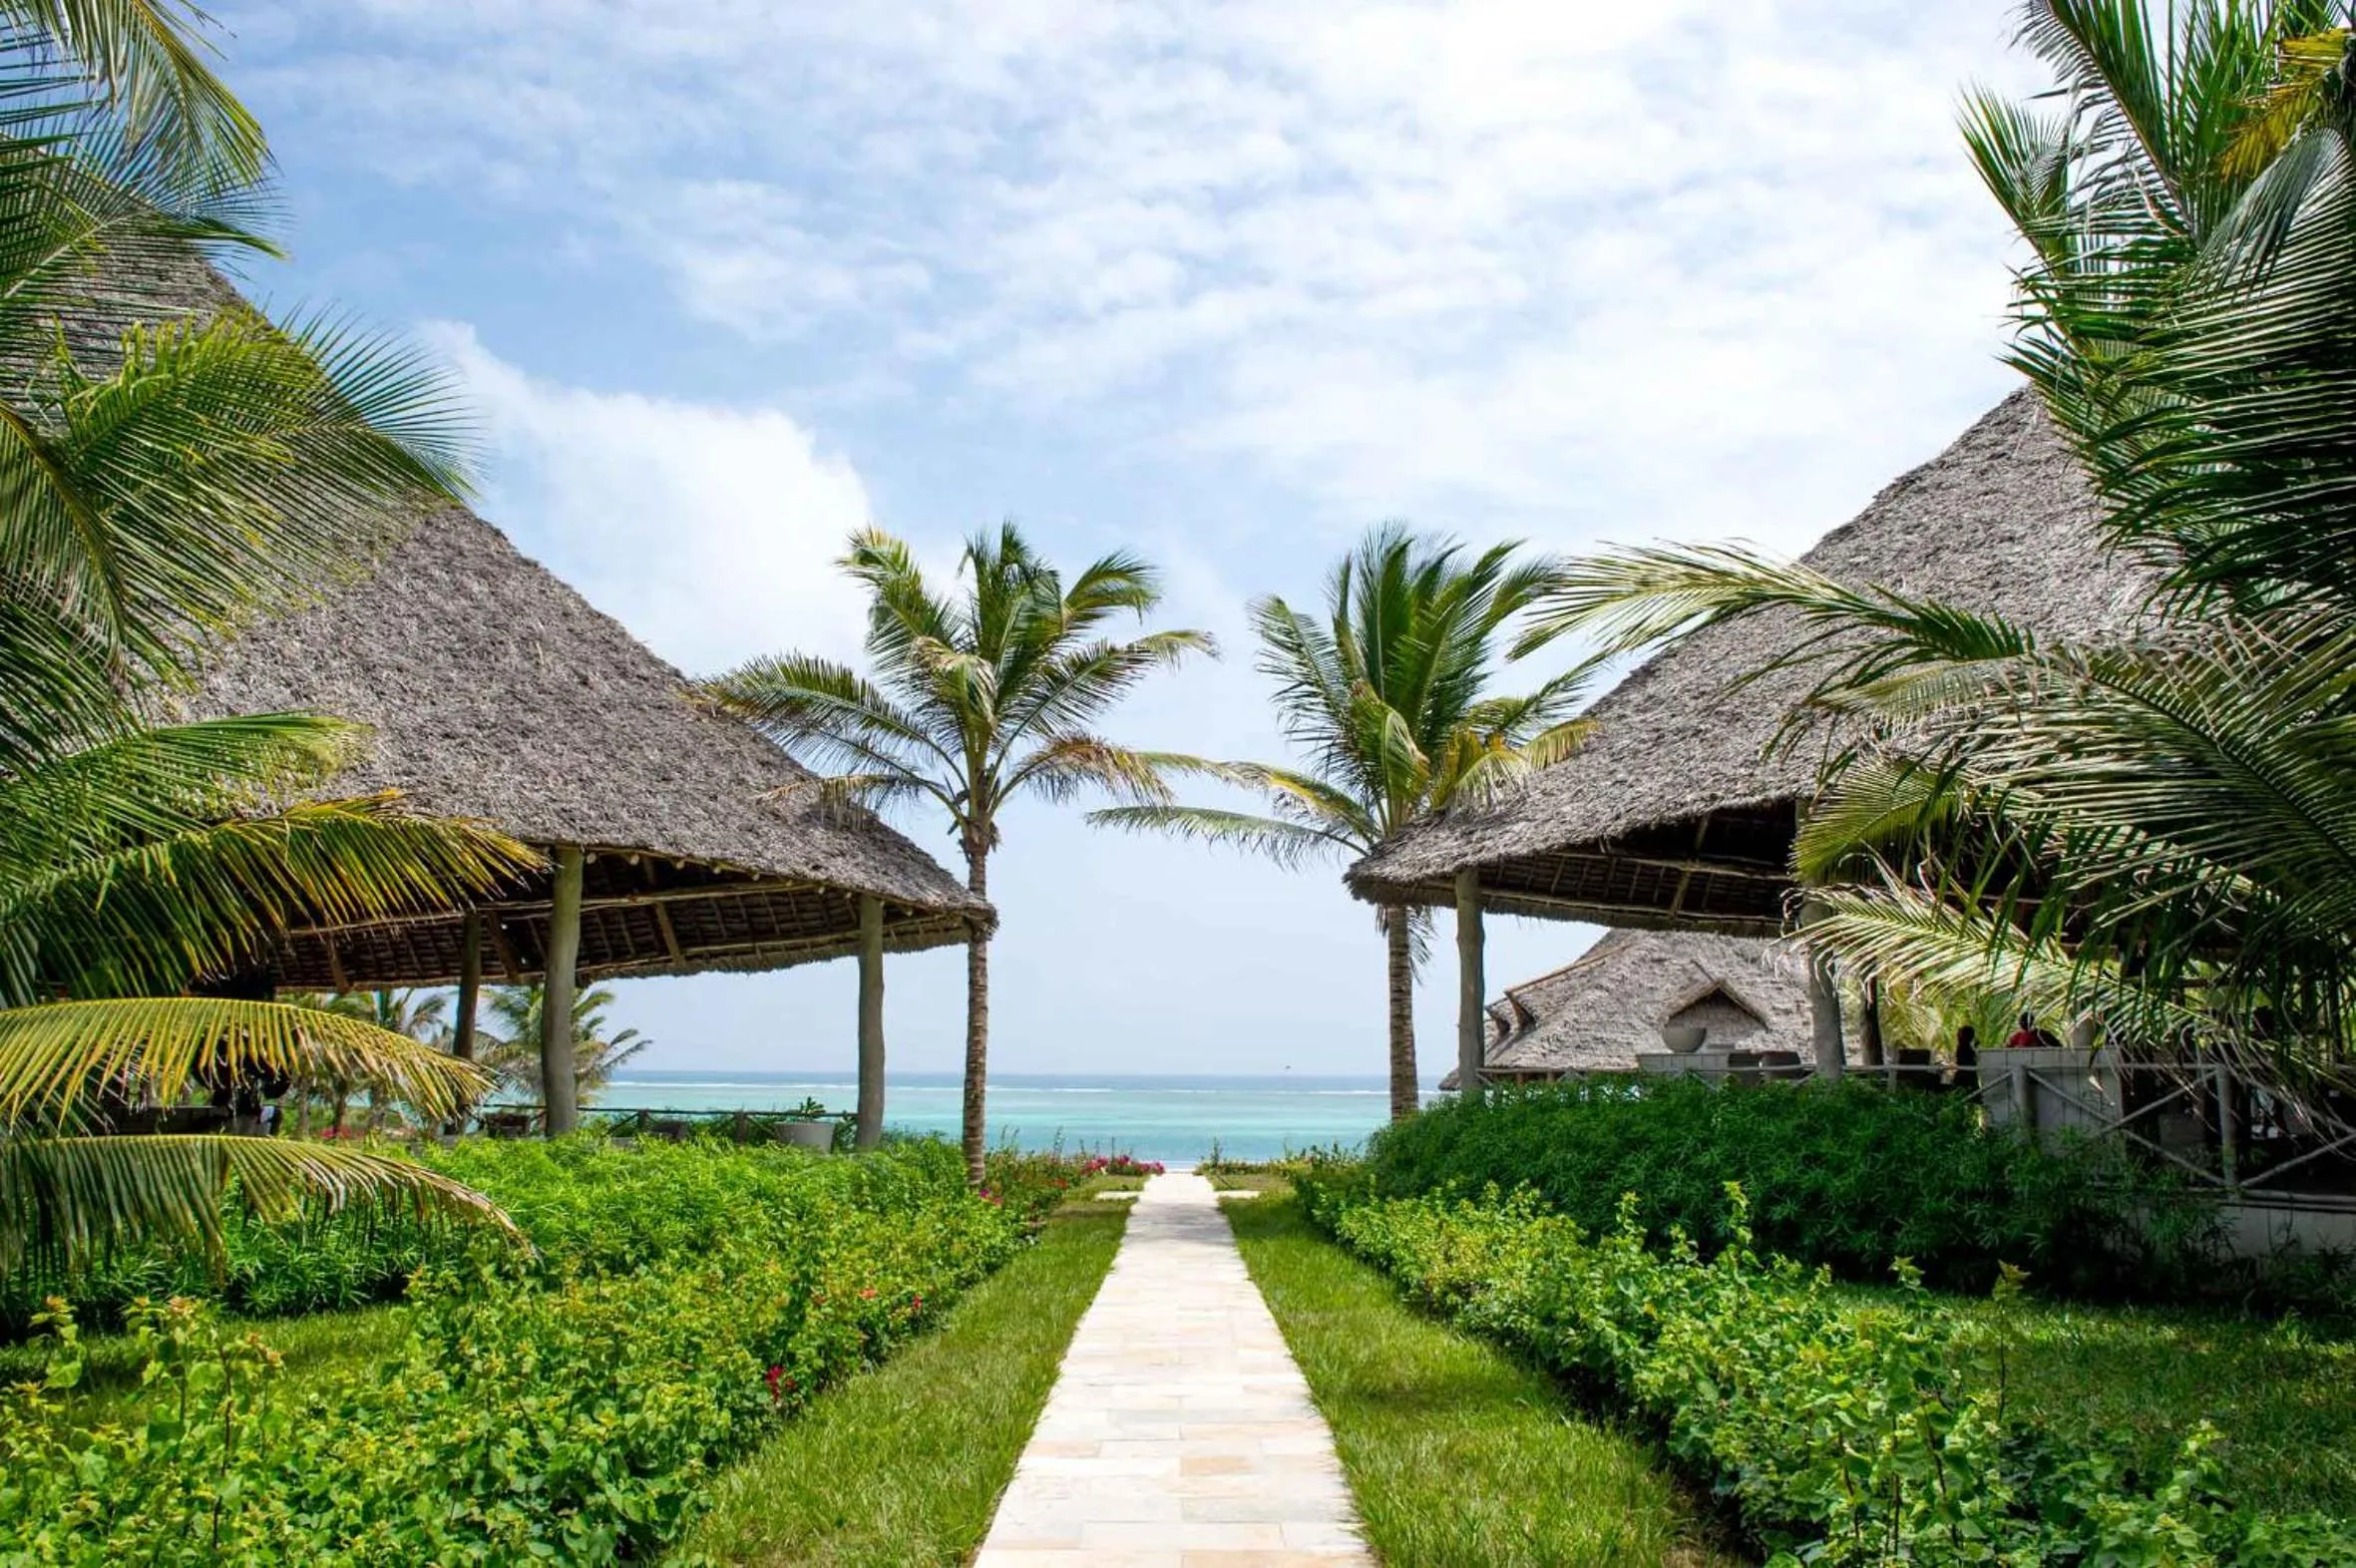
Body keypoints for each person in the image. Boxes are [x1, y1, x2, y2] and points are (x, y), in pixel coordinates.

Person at [1952, 1023, 1979, 1092]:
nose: (1957, 1036)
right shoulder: (1963, 1047)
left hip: (1966, 1075)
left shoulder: (1964, 1047)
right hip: (1966, 1074)